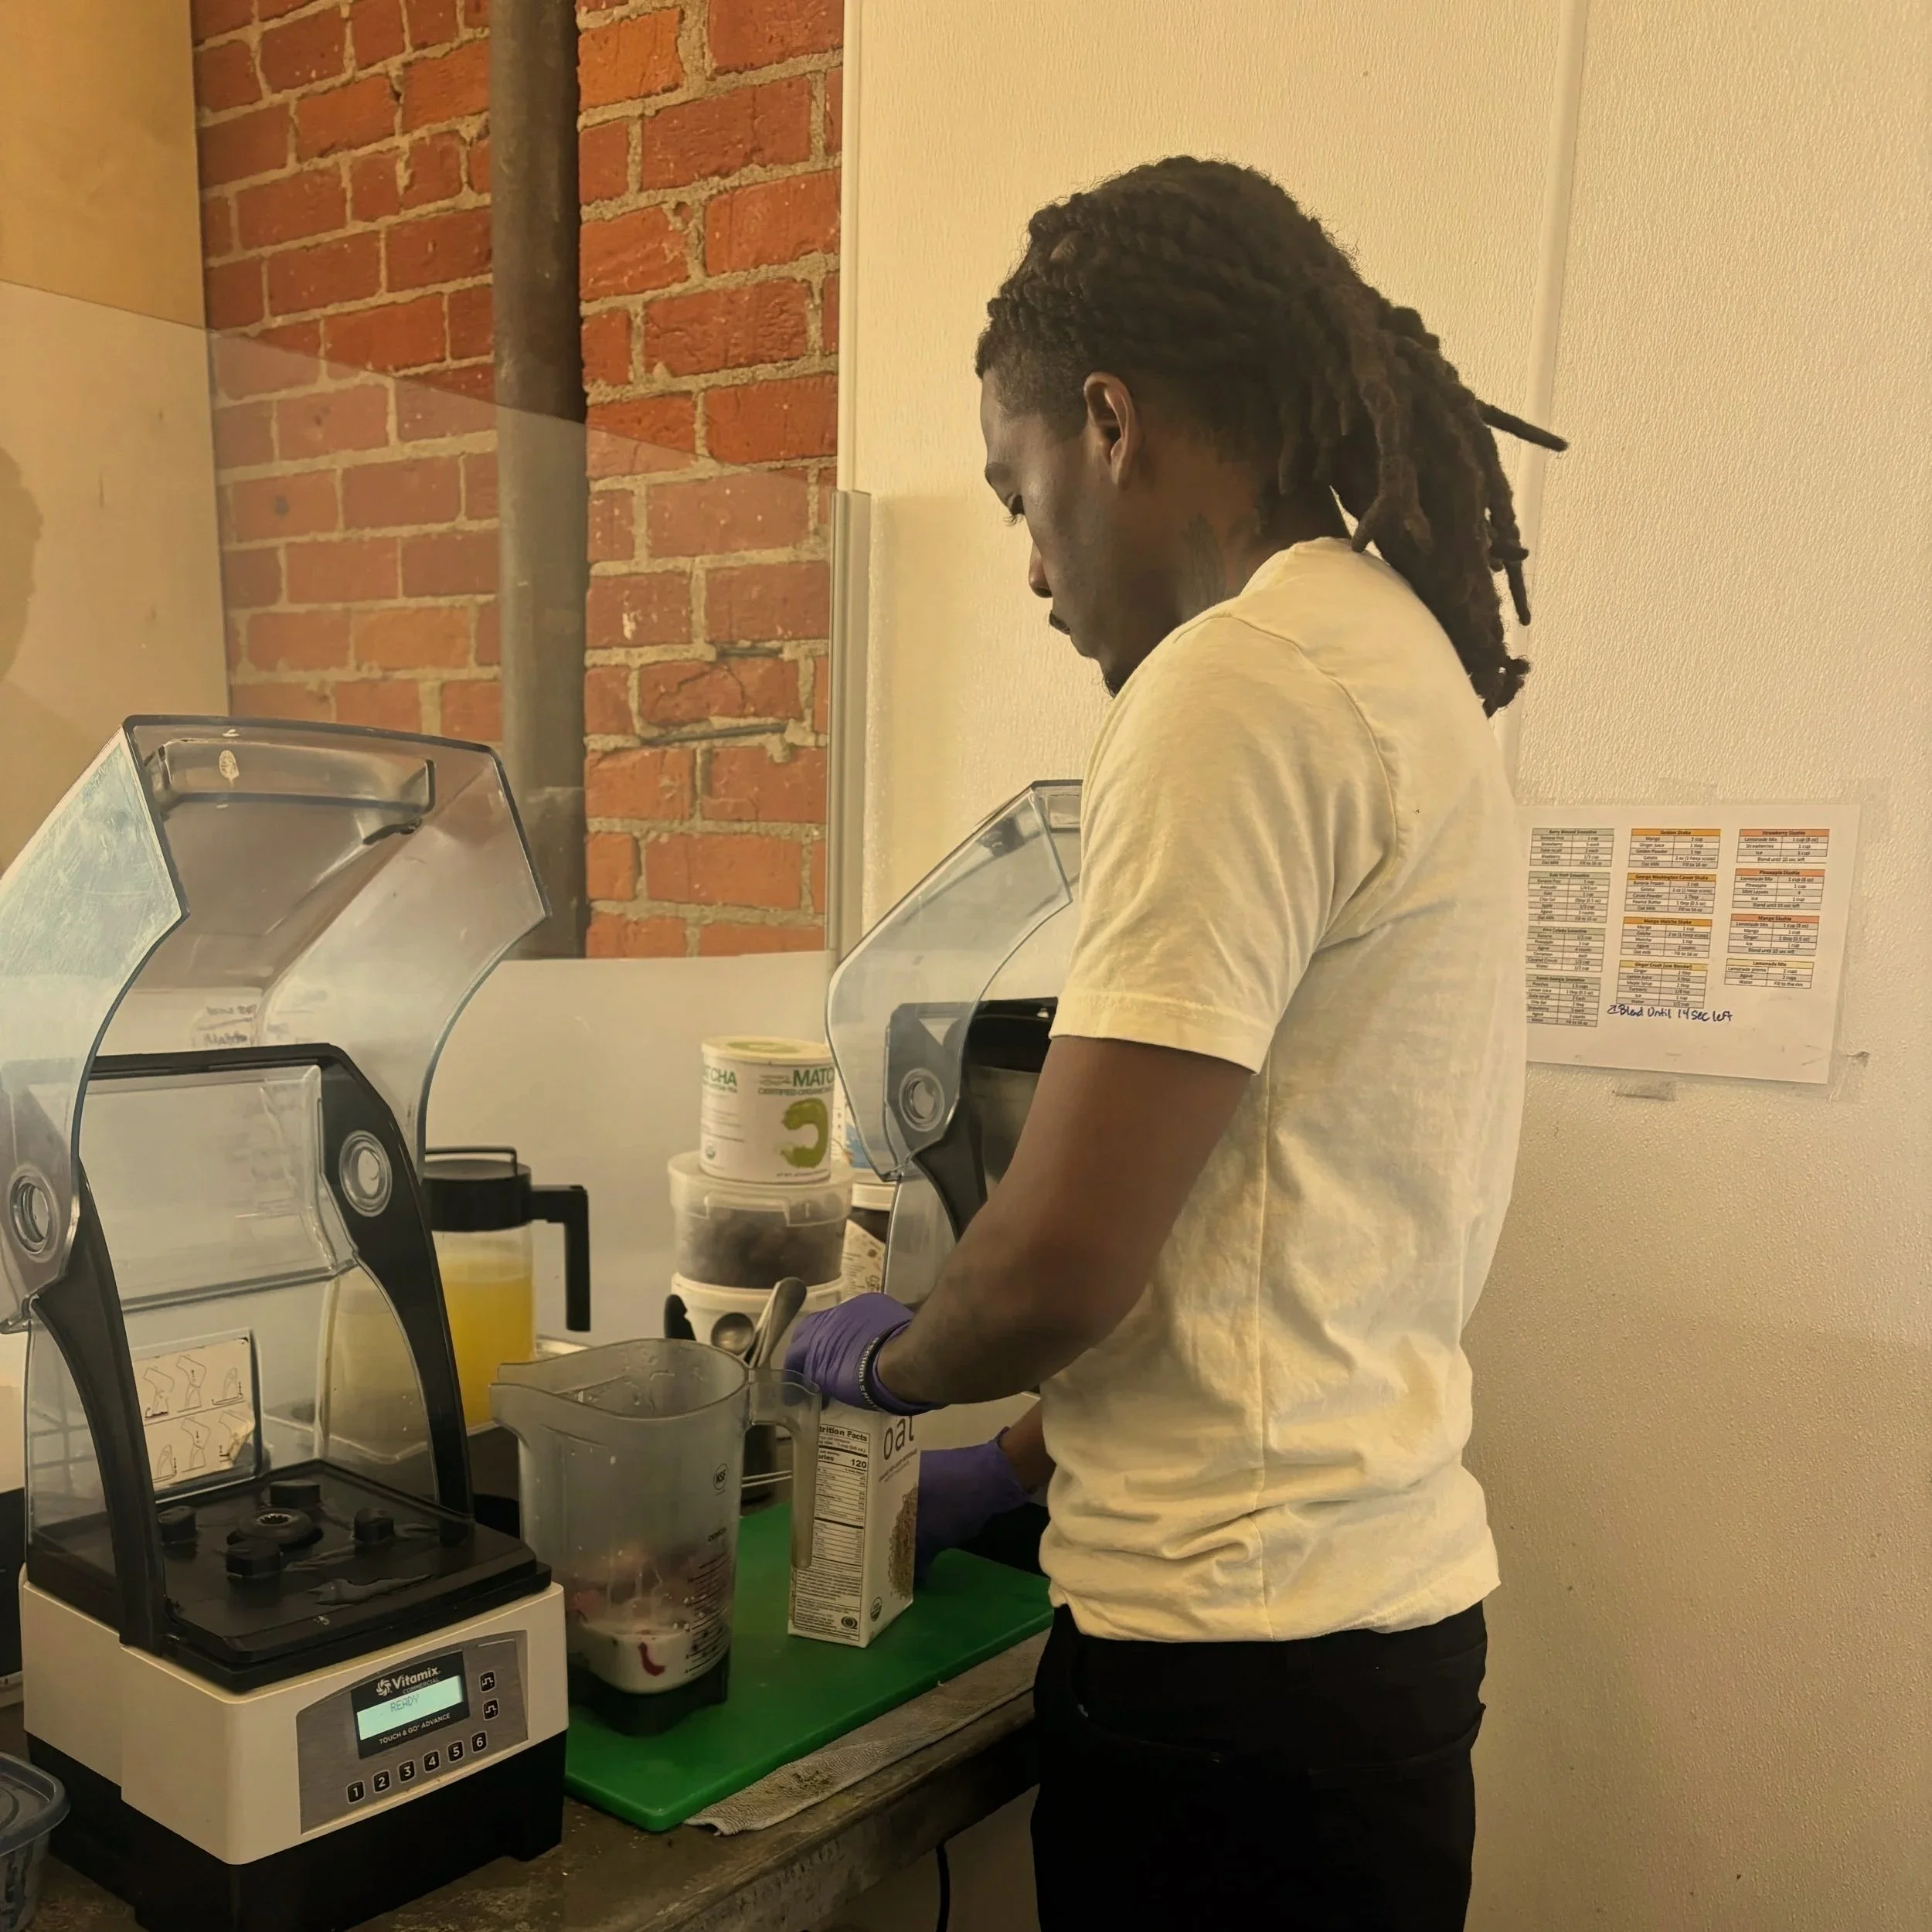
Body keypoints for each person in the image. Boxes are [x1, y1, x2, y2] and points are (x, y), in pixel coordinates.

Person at [788, 156, 1563, 1930]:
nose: (1028, 559)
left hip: (1223, 1692)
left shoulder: (1227, 685)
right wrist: (1026, 1468)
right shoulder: (1386, 659)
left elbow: (1062, 1256)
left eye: (1017, 487)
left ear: (1109, 420)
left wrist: (895, 1366)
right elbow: (1291, 1220)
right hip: (1356, 1645)